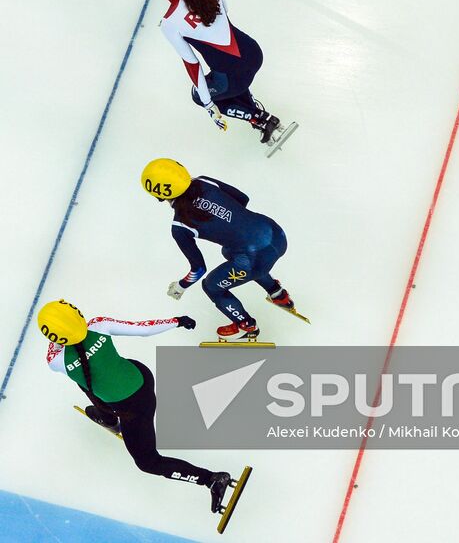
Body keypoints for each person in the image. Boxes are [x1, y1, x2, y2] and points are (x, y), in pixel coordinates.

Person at [38, 298, 235, 512]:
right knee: (96, 378)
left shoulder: (56, 361)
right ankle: (109, 416)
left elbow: (59, 347)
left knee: (148, 462)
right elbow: (142, 330)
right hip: (141, 375)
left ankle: (211, 479)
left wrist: (62, 336)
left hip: (134, 409)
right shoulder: (98, 325)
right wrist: (177, 321)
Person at [141, 0, 291, 146]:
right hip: (254, 53)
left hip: (234, 76)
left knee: (201, 95)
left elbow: (193, 66)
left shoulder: (169, 23)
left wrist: (208, 105)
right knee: (224, 77)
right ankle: (254, 109)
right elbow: (225, 13)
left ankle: (259, 119)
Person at [141, 159, 296, 340]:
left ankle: (247, 326)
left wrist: (180, 286)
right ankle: (278, 294)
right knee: (229, 251)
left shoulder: (180, 226)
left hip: (253, 260)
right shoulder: (203, 181)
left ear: (158, 195)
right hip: (275, 233)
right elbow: (242, 199)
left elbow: (198, 269)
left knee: (211, 286)